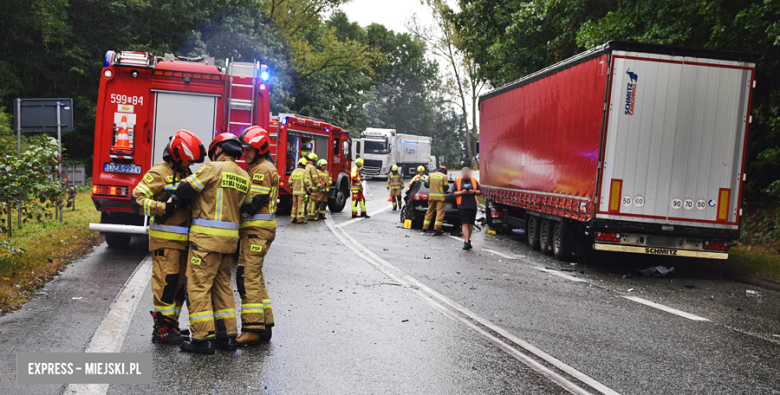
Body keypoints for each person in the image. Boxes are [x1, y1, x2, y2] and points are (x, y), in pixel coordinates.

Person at [169, 133, 249, 354]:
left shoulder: (213, 168)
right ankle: (227, 337)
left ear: (217, 150)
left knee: (197, 287)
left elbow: (185, 190)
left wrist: (176, 190)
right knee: (222, 286)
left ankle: (202, 339)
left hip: (205, 241)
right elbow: (243, 205)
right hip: (229, 243)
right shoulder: (244, 175)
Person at [131, 130, 205, 345]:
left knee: (179, 285)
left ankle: (170, 324)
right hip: (165, 242)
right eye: (186, 159)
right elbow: (136, 200)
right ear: (175, 154)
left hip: (183, 242)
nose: (188, 162)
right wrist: (163, 207)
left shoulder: (185, 173)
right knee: (166, 284)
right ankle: (161, 329)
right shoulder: (158, 173)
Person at [235, 126, 278, 345]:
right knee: (256, 278)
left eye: (249, 150)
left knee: (246, 278)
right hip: (257, 232)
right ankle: (265, 325)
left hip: (256, 232)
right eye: (243, 149)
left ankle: (252, 329)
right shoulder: (258, 167)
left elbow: (254, 204)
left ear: (260, 148)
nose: (245, 153)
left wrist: (231, 204)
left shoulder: (261, 170)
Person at [453, 167, 482, 250]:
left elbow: (480, 191)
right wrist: (462, 192)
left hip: (472, 205)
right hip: (462, 206)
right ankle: (466, 242)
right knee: (465, 224)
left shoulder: (473, 181)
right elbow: (453, 193)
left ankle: (468, 239)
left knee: (471, 224)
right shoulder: (458, 181)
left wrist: (474, 192)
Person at [422, 167, 449, 235]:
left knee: (429, 211)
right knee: (440, 212)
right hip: (440, 198)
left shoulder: (431, 175)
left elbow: (426, 184)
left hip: (431, 197)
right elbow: (446, 187)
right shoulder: (444, 176)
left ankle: (425, 227)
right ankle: (437, 228)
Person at [290, 158, 311, 224]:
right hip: (301, 192)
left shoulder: (294, 171)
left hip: (294, 191)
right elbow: (306, 181)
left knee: (294, 205)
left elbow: (290, 181)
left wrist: (292, 188)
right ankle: (300, 219)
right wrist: (310, 188)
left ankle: (293, 218)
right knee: (301, 206)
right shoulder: (304, 172)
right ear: (305, 165)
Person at [305, 152, 322, 221]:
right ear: (313, 160)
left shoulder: (306, 166)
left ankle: (300, 216)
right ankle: (311, 216)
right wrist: (319, 185)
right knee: (312, 202)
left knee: (303, 203)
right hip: (313, 188)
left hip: (306, 186)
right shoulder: (312, 168)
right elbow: (315, 178)